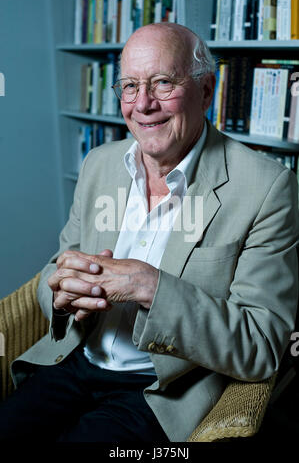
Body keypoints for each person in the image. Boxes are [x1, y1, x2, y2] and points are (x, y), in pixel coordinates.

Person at [0, 22, 298, 443]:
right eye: (129, 86)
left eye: (163, 83)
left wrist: (151, 286)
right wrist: (64, 298)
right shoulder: (98, 164)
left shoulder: (267, 188)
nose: (143, 104)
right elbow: (57, 270)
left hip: (161, 391)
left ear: (207, 91)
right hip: (71, 362)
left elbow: (261, 347)